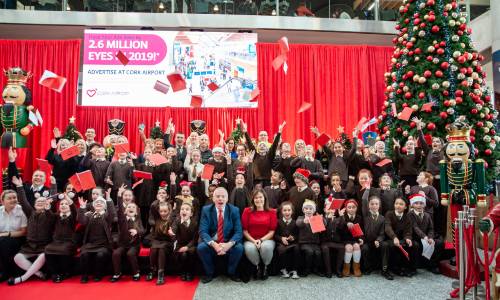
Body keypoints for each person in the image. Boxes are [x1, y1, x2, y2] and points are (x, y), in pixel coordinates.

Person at [8, 176, 55, 285]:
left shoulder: (49, 214)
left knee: (43, 256)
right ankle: (39, 274)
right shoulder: (30, 213)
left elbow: (51, 201)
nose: (40, 203)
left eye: (43, 202)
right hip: (29, 246)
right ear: (34, 204)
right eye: (38, 202)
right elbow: (24, 201)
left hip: (44, 245)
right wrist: (19, 186)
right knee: (17, 258)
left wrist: (53, 185)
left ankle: (22, 278)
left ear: (47, 204)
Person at [197, 187, 243, 283]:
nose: (220, 199)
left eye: (223, 196)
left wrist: (228, 245)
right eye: (217, 196)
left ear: (227, 199)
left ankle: (231, 272)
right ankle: (210, 273)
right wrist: (214, 244)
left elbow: (238, 232)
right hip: (213, 241)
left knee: (239, 248)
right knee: (201, 247)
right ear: (213, 198)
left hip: (227, 241)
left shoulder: (234, 210)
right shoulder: (206, 210)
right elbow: (203, 231)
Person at [77, 195, 116, 283]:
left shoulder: (107, 216)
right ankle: (84, 275)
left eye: (101, 202)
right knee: (84, 254)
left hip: (104, 244)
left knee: (100, 255)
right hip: (90, 244)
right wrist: (82, 207)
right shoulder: (89, 215)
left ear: (105, 206)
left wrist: (109, 200)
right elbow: (82, 221)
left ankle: (98, 274)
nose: (98, 203)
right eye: (97, 202)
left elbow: (112, 213)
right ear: (93, 206)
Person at [110, 185, 144, 282]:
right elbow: (120, 209)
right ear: (125, 211)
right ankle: (117, 273)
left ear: (136, 211)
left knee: (130, 253)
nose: (131, 208)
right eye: (129, 207)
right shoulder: (122, 219)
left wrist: (137, 231)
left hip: (134, 245)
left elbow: (143, 230)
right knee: (116, 253)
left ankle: (136, 272)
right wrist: (119, 196)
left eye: (133, 207)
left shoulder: (137, 219)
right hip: (122, 244)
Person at [241, 189, 277, 280]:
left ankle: (265, 266)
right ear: (253, 200)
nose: (258, 200)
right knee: (249, 248)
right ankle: (257, 267)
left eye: (260, 197)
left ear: (265, 198)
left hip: (267, 239)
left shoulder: (272, 212)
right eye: (256, 198)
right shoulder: (247, 211)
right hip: (250, 239)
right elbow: (244, 230)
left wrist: (261, 240)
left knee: (266, 247)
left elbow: (272, 231)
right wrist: (254, 241)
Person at [44, 195, 77, 283]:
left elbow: (74, 209)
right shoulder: (56, 216)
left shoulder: (72, 216)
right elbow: (49, 216)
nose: (63, 205)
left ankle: (66, 272)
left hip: (69, 242)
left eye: (66, 204)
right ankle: (54, 273)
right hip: (56, 242)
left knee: (64, 249)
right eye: (61, 204)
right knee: (48, 249)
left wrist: (69, 200)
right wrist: (47, 208)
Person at [408, 194, 442, 274]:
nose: (419, 205)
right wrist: (425, 237)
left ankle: (432, 265)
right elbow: (415, 228)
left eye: (421, 203)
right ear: (412, 205)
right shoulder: (410, 215)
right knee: (415, 245)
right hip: (415, 237)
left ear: (424, 204)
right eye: (416, 203)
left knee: (439, 243)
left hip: (426, 237)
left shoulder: (427, 215)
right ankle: (413, 267)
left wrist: (430, 237)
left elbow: (431, 228)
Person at [361, 196, 393, 280]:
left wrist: (378, 240)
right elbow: (363, 232)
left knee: (385, 245)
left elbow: (382, 234)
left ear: (379, 206)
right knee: (364, 248)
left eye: (376, 204)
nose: (374, 206)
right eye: (372, 204)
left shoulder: (382, 218)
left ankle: (384, 269)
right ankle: (367, 268)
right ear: (368, 205)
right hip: (368, 242)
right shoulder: (365, 217)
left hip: (378, 241)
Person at [385, 197, 415, 277]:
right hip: (390, 238)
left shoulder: (407, 217)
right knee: (391, 246)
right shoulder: (389, 214)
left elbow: (408, 230)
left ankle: (405, 268)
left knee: (411, 245)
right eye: (396, 203)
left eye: (401, 204)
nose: (398, 206)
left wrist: (408, 238)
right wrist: (394, 237)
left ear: (405, 207)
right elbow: (388, 227)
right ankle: (393, 268)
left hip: (401, 239)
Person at [147, 201, 174, 285]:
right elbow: (153, 207)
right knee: (154, 248)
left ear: (169, 211)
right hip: (157, 240)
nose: (163, 213)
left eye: (165, 211)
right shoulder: (156, 218)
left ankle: (160, 274)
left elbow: (173, 236)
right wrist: (160, 200)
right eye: (161, 211)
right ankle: (152, 270)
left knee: (161, 249)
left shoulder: (172, 219)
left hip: (168, 241)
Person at [170, 203, 198, 281]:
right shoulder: (177, 221)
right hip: (180, 244)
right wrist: (171, 233)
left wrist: (187, 247)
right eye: (182, 209)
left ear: (191, 213)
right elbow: (173, 231)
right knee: (183, 255)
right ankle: (183, 272)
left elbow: (195, 238)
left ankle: (190, 272)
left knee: (191, 252)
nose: (184, 211)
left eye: (187, 209)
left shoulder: (194, 223)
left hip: (190, 245)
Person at [296, 200, 323, 276]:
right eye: (306, 208)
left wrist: (321, 219)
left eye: (310, 209)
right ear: (303, 210)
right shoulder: (301, 218)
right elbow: (298, 223)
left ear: (313, 211)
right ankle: (306, 269)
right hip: (304, 242)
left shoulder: (316, 218)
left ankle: (316, 269)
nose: (308, 210)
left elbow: (324, 225)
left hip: (315, 242)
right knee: (309, 252)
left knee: (318, 253)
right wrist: (304, 221)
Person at [338, 199, 363, 277]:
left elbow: (362, 231)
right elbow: (339, 228)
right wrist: (345, 223)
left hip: (355, 239)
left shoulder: (359, 218)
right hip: (344, 239)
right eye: (349, 207)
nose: (351, 209)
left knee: (356, 246)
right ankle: (346, 268)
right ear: (346, 208)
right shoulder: (343, 216)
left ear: (356, 208)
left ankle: (356, 268)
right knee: (349, 248)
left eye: (353, 207)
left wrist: (361, 238)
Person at [275, 202, 300, 279]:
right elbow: (275, 235)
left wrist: (293, 238)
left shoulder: (295, 222)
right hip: (281, 243)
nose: (287, 212)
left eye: (289, 210)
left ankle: (294, 270)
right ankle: (283, 269)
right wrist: (281, 238)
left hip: (292, 243)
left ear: (292, 211)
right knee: (281, 249)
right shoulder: (278, 222)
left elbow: (297, 235)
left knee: (297, 248)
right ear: (281, 212)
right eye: (285, 210)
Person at [320, 202, 345, 278]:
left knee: (342, 248)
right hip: (325, 242)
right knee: (325, 248)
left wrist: (341, 217)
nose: (331, 210)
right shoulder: (322, 218)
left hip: (336, 242)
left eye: (333, 208)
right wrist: (327, 218)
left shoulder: (338, 219)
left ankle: (338, 270)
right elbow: (322, 228)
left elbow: (342, 227)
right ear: (325, 210)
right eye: (329, 208)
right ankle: (328, 271)